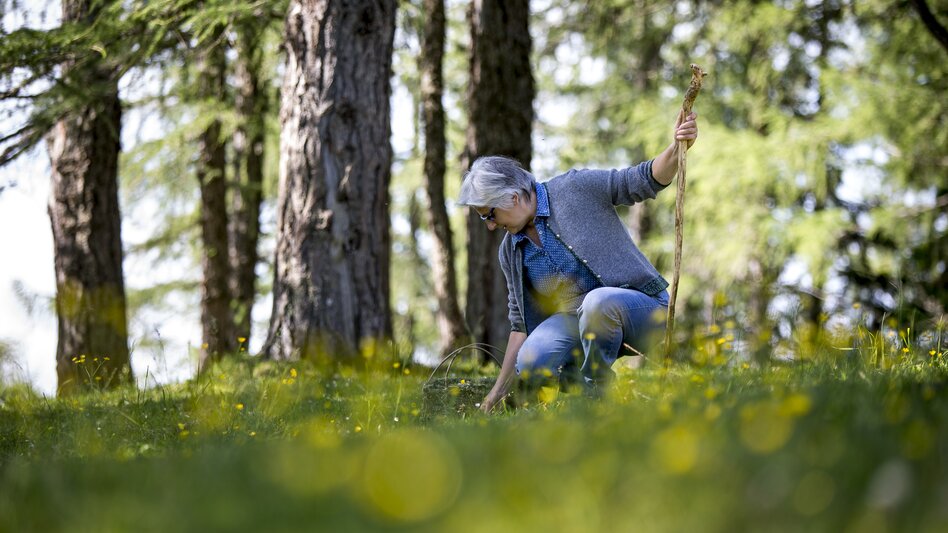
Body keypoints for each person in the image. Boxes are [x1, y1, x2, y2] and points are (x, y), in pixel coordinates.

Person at [458, 111, 699, 412]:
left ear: (512, 198)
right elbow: (520, 325)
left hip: (642, 312)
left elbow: (641, 180)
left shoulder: (574, 189)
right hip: (579, 323)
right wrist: (495, 394)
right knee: (533, 357)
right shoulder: (511, 250)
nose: (490, 226)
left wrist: (677, 148)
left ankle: (595, 399)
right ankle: (572, 389)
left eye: (490, 215)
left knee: (598, 302)